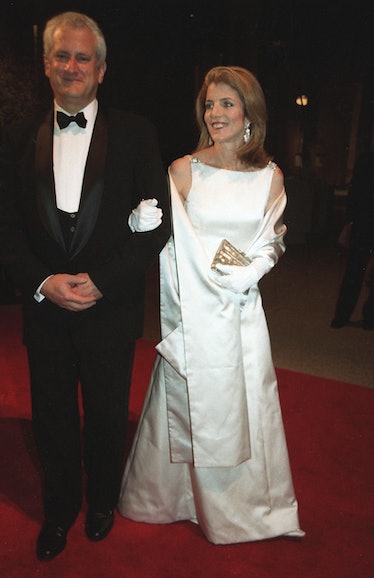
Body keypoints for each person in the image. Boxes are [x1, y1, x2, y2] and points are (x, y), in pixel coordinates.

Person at [0, 11, 170, 561]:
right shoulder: (18, 135)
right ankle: (58, 511)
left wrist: (101, 282)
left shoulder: (137, 132)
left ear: (101, 70)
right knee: (50, 418)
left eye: (83, 57)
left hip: (110, 307)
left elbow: (155, 225)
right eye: (62, 56)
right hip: (44, 308)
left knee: (104, 414)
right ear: (47, 65)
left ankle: (101, 501)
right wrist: (44, 281)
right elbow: (5, 226)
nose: (72, 66)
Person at [118, 66, 304, 544]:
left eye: (226, 103)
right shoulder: (183, 169)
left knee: (247, 405)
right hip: (194, 313)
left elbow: (275, 240)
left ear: (249, 113)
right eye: (209, 104)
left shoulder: (270, 175)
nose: (215, 113)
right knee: (186, 401)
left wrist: (254, 270)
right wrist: (138, 225)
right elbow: (163, 237)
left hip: (241, 312)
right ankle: (173, 499)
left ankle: (247, 508)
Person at [331, 149, 374, 330]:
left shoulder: (366, 159)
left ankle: (342, 316)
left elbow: (354, 192)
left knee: (354, 271)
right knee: (355, 270)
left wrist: (351, 220)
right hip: (364, 221)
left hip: (363, 221)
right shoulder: (366, 159)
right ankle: (369, 318)